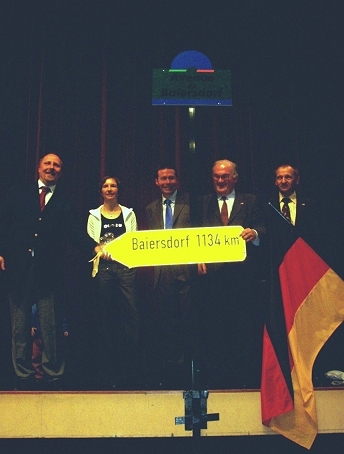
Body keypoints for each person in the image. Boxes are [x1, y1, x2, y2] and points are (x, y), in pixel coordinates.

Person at [0, 153, 95, 390]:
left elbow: (76, 232)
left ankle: (53, 374)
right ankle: (22, 375)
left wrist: (95, 247)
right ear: (39, 168)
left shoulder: (65, 202)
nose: (51, 168)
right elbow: (4, 223)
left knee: (50, 325)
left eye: (56, 165)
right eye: (47, 164)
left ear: (60, 172)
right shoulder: (19, 193)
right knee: (19, 325)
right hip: (18, 268)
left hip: (49, 272)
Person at [195, 159, 266, 389]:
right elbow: (193, 235)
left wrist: (254, 233)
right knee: (215, 331)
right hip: (213, 281)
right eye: (216, 176)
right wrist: (198, 256)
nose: (220, 180)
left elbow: (264, 227)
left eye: (225, 176)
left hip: (243, 280)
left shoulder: (251, 201)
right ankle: (218, 381)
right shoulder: (202, 203)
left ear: (235, 178)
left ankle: (244, 380)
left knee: (243, 330)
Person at [87, 176, 141, 389]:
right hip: (104, 270)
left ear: (118, 190)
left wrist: (118, 252)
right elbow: (92, 242)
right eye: (105, 186)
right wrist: (101, 250)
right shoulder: (93, 215)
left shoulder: (129, 213)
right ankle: (108, 376)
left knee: (131, 318)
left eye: (113, 186)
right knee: (106, 320)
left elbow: (133, 239)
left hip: (126, 269)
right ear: (101, 191)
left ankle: (132, 372)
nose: (109, 189)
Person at [145, 163, 193, 388]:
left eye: (171, 178)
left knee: (186, 321)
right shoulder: (150, 208)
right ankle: (168, 371)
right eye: (162, 179)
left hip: (185, 272)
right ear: (156, 182)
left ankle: (187, 370)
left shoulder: (190, 204)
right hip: (161, 273)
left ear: (177, 180)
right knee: (165, 323)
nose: (167, 182)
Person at [31, 303, 69, 388]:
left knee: (50, 354)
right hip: (38, 336)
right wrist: (32, 326)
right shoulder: (35, 307)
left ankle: (50, 375)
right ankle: (38, 376)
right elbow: (32, 317)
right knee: (36, 356)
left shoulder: (57, 307)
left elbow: (62, 318)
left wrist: (64, 329)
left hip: (50, 335)